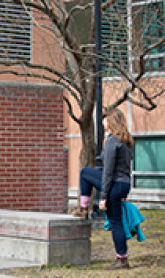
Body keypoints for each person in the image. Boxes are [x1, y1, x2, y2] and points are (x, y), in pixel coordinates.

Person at [73, 108, 134, 270]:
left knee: (85, 172)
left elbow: (108, 172)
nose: (102, 122)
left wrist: (103, 197)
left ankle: (83, 208)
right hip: (124, 184)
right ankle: (122, 258)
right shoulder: (126, 141)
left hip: (114, 183)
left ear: (111, 121)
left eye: (105, 119)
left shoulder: (112, 141)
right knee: (117, 221)